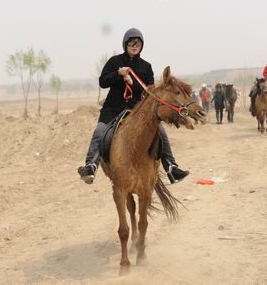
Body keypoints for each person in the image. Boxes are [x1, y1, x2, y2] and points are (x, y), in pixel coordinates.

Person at [77, 28, 190, 185]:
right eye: (131, 43)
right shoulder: (114, 62)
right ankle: (91, 165)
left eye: (138, 43)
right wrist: (118, 74)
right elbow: (102, 82)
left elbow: (149, 92)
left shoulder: (146, 67)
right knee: (100, 131)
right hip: (113, 108)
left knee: (160, 131)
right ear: (125, 44)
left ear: (141, 46)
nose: (134, 46)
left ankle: (171, 167)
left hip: (137, 109)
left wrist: (133, 83)